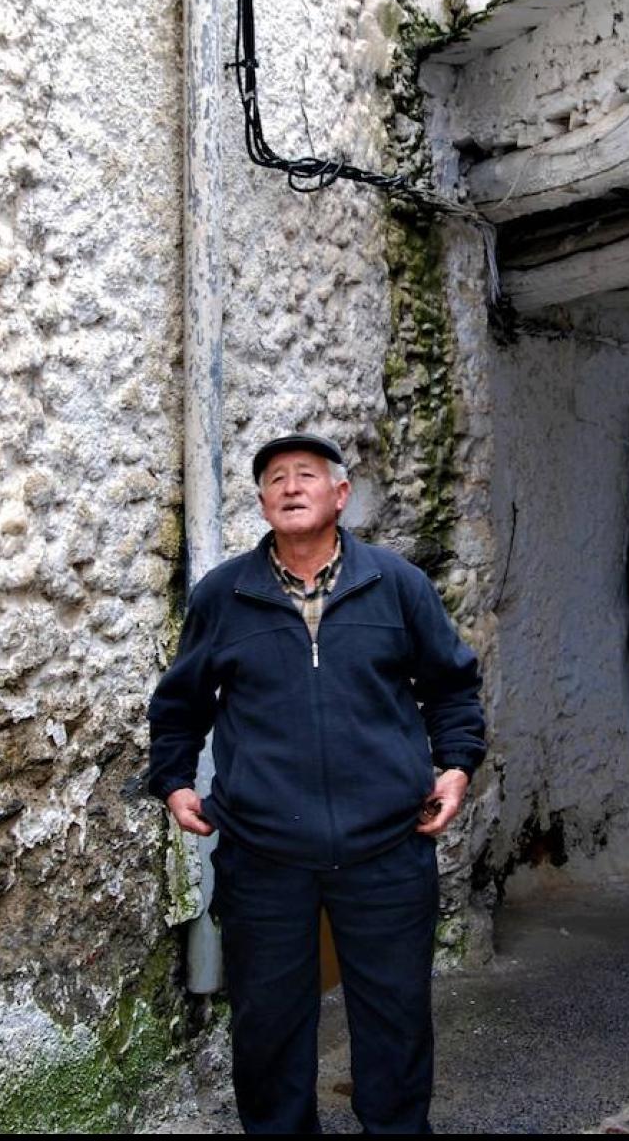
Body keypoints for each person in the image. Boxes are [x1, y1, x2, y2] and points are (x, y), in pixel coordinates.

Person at [147, 432, 486, 1134]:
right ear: (263, 502)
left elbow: (452, 687)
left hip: (387, 844)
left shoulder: (395, 586)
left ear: (340, 495)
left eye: (307, 474)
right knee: (269, 1034)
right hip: (263, 851)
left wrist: (455, 768)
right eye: (275, 478)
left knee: (394, 1024)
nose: (290, 487)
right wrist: (175, 782)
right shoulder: (225, 596)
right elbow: (179, 704)